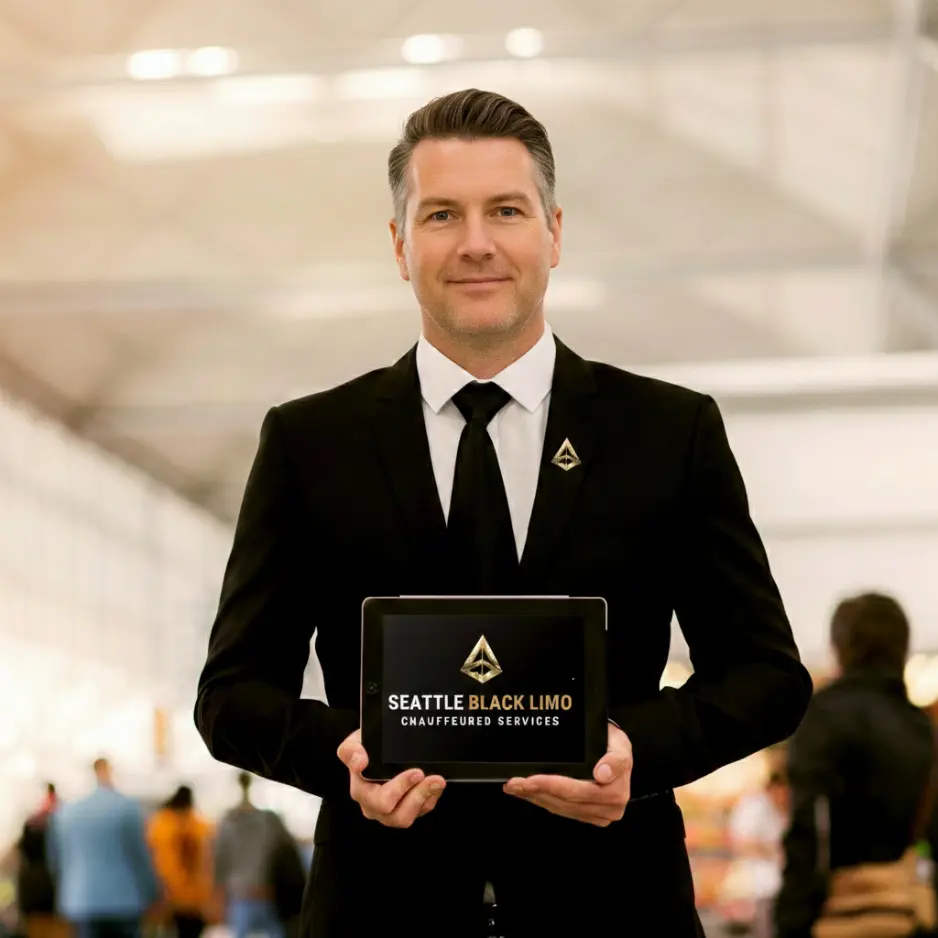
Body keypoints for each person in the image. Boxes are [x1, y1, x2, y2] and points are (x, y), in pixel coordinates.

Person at [195, 88, 812, 936]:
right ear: (399, 243)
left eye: (507, 211)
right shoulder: (309, 442)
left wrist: (640, 749)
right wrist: (346, 754)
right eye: (442, 213)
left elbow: (768, 676)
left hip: (612, 909)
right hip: (380, 911)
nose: (477, 243)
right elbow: (231, 695)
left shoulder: (668, 433)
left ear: (554, 233)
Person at [775, 593, 938, 938]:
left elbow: (808, 828)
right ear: (902, 648)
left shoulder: (821, 718)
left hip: (838, 915)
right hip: (907, 912)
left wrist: (791, 920)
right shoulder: (920, 726)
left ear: (839, 647)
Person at [46, 758, 159, 938]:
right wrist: (153, 893)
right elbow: (140, 857)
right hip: (125, 899)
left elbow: (56, 862)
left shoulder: (66, 813)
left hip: (81, 899)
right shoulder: (127, 808)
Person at [213, 773, 300, 938]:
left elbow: (219, 862)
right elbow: (289, 851)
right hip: (268, 893)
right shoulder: (270, 821)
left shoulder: (227, 824)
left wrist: (217, 895)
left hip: (241, 894)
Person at [724, 770, 789, 936]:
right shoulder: (755, 806)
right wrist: (773, 852)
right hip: (759, 885)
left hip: (779, 884)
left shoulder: (783, 808)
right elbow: (741, 842)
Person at [147, 786, 215, 938]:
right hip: (192, 896)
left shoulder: (161, 823)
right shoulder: (196, 823)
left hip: (172, 893)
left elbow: (155, 859)